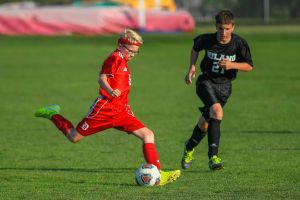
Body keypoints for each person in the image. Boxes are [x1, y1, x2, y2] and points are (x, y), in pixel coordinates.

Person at [35, 28, 180, 185]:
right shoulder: (115, 58)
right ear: (120, 45)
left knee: (148, 135)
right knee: (74, 137)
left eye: (136, 52)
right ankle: (52, 114)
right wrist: (111, 91)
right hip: (105, 109)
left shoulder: (123, 60)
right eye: (130, 51)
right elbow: (102, 78)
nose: (132, 54)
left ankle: (159, 175)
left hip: (121, 111)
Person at [181, 10, 254, 170]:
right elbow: (195, 48)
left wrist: (232, 65)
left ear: (233, 27)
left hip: (225, 87)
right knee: (217, 112)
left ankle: (189, 148)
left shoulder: (239, 43)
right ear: (216, 27)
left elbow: (249, 66)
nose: (223, 32)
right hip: (205, 82)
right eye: (220, 28)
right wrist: (192, 66)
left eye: (227, 28)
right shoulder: (207, 39)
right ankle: (213, 157)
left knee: (205, 124)